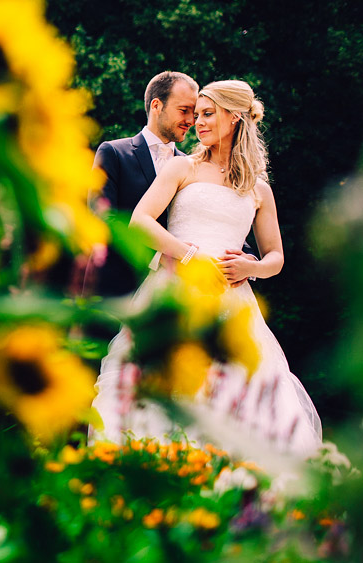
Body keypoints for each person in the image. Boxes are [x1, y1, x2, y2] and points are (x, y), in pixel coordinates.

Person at [91, 80, 322, 457]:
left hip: (233, 304)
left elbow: (276, 256)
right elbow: (141, 221)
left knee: (235, 403)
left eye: (207, 114)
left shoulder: (259, 189)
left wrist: (253, 267)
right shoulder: (183, 167)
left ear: (234, 118)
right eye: (195, 114)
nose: (197, 122)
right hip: (174, 290)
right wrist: (187, 255)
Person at [92, 71, 199, 297]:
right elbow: (102, 218)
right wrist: (160, 256)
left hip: (176, 296)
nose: (191, 121)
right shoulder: (113, 152)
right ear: (157, 105)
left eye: (194, 113)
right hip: (118, 288)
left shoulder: (191, 166)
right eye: (184, 110)